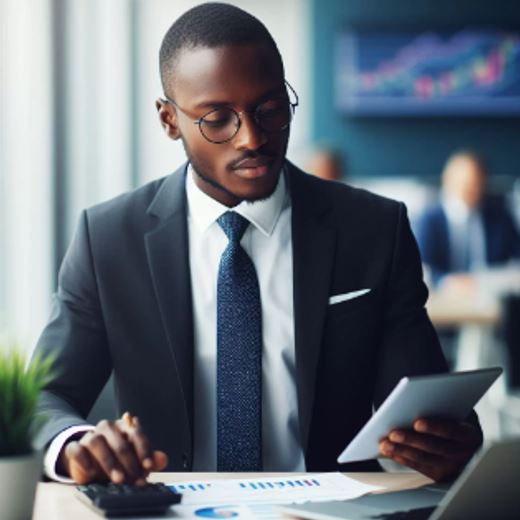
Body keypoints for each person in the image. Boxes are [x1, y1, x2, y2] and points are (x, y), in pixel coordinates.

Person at [32, 3, 482, 486]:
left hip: (331, 513)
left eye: (269, 109)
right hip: (168, 508)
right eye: (217, 119)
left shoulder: (373, 229)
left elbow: (429, 407)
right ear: (168, 120)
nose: (251, 138)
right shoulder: (107, 240)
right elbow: (43, 398)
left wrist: (451, 446)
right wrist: (74, 444)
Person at [417, 150, 520, 291]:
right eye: (466, 183)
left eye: (477, 183)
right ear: (448, 181)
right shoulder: (429, 220)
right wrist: (447, 282)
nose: (472, 189)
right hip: (445, 300)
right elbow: (422, 268)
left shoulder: (500, 218)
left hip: (491, 298)